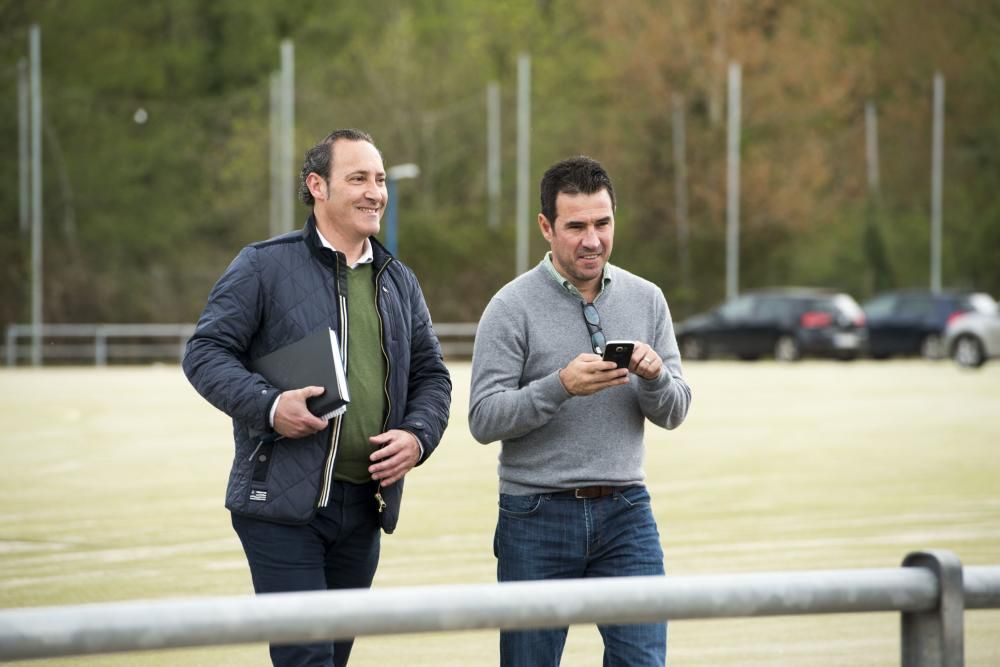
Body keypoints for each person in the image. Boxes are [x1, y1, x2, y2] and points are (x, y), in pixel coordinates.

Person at [183, 128, 452, 667]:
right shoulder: (262, 265)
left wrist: (418, 437)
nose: (375, 191)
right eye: (358, 178)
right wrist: (269, 405)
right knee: (306, 657)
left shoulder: (398, 280)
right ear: (317, 186)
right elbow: (205, 353)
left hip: (365, 508)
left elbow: (433, 377)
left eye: (379, 180)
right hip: (281, 507)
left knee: (333, 655)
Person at [469, 155, 692, 666]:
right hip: (535, 516)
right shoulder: (509, 307)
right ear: (546, 227)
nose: (592, 240)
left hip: (627, 512)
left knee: (643, 662)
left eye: (602, 223)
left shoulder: (648, 299)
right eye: (576, 226)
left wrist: (656, 377)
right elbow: (483, 419)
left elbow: (675, 411)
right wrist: (559, 386)